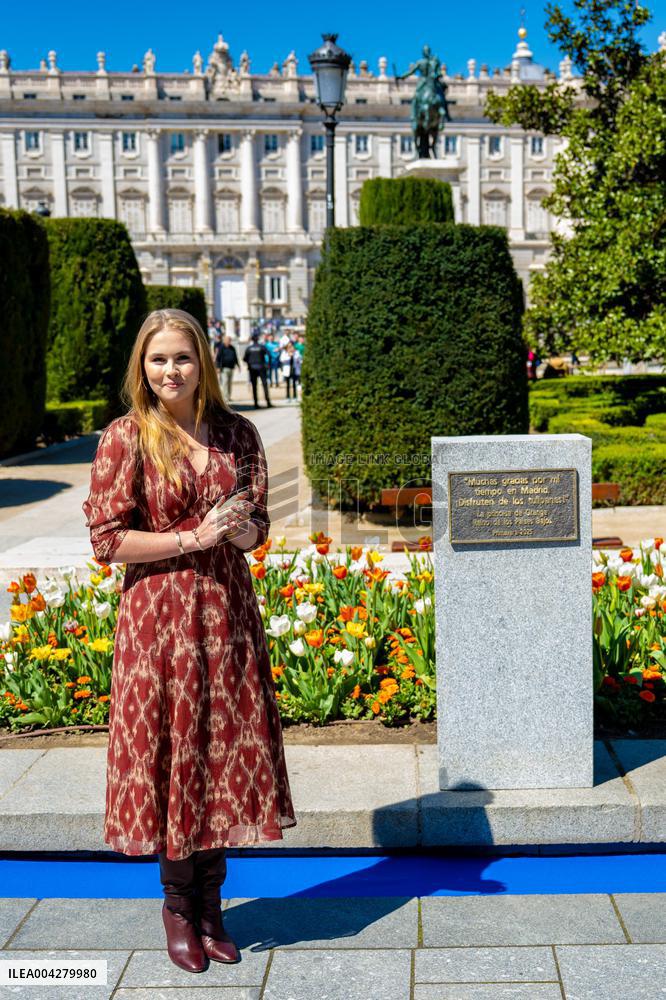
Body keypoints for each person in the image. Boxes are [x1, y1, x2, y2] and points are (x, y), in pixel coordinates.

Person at [82, 308, 296, 974]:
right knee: (172, 752)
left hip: (227, 612)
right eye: (158, 359)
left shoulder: (237, 433)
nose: (170, 370)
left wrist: (239, 529)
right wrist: (191, 537)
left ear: (203, 361)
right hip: (158, 620)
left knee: (220, 750)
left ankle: (212, 906)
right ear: (141, 368)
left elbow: (258, 528)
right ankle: (178, 907)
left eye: (181, 357)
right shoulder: (126, 436)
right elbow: (107, 540)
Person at [243, 332, 273, 409]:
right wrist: (268, 365)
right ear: (258, 339)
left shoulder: (249, 348)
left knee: (254, 386)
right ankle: (268, 402)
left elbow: (244, 359)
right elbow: (269, 355)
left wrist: (249, 364)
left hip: (252, 368)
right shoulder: (262, 347)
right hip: (261, 367)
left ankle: (256, 403)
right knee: (265, 385)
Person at [215, 333, 240, 402]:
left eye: (229, 340)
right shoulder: (221, 348)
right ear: (224, 341)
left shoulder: (232, 348)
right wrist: (218, 367)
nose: (229, 341)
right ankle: (225, 398)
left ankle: (228, 397)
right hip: (224, 368)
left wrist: (238, 365)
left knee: (229, 383)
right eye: (227, 340)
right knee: (225, 382)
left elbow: (235, 357)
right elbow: (218, 358)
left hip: (231, 367)